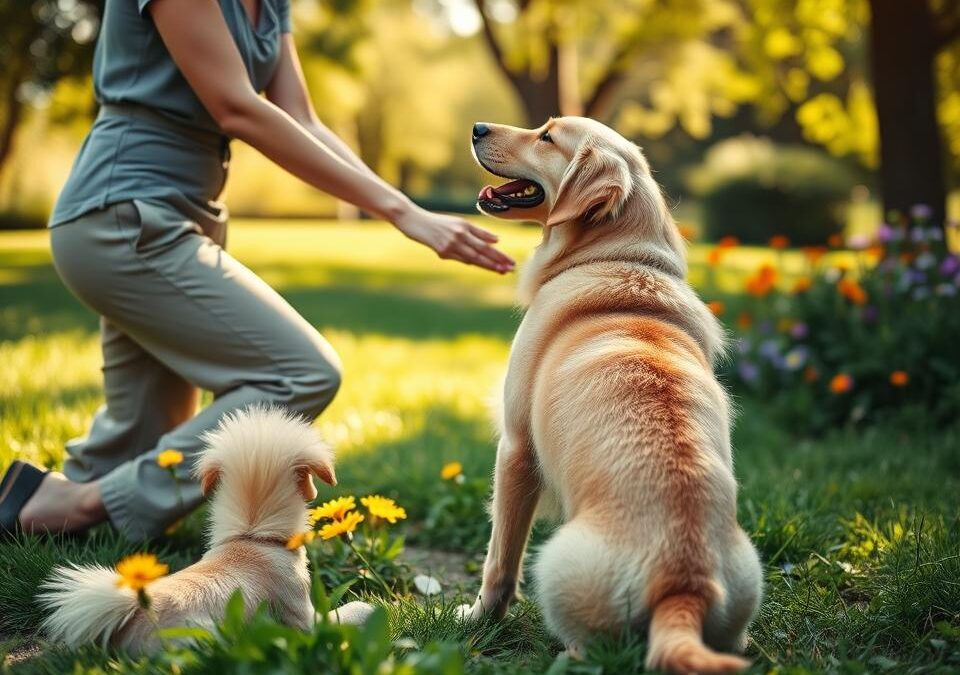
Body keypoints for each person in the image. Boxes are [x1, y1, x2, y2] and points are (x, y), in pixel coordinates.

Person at [0, 0, 514, 540]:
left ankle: (56, 506)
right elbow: (236, 108)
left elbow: (301, 118)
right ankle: (83, 504)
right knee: (299, 371)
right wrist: (402, 213)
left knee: (138, 441)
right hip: (122, 218)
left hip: (179, 219)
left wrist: (403, 207)